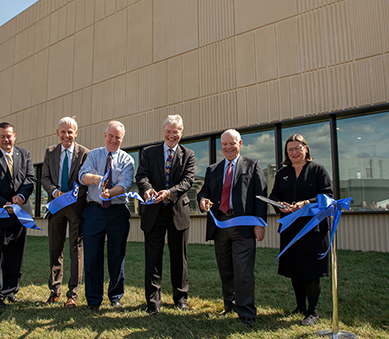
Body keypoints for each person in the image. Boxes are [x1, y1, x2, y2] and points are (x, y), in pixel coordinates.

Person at [197, 129, 267, 326]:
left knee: (243, 271)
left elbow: (260, 196)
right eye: (225, 144)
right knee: (225, 268)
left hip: (244, 227)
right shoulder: (213, 169)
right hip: (220, 226)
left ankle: (247, 313)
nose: (228, 147)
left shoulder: (253, 166)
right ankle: (230, 305)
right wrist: (202, 200)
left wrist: (259, 224)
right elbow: (203, 192)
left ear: (240, 143)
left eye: (232, 143)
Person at [269, 133, 332, 326]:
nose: (294, 152)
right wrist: (278, 205)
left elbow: (328, 196)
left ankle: (312, 312)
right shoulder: (282, 174)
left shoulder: (318, 170)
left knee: (311, 271)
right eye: (290, 149)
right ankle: (300, 307)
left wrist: (306, 202)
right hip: (290, 228)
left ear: (306, 148)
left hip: (314, 230)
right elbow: (274, 195)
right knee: (294, 270)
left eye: (298, 148)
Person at [136, 115, 195, 315]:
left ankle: (181, 298)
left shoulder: (189, 154)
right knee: (153, 258)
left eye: (175, 132)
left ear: (181, 133)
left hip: (178, 211)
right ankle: (153, 302)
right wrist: (147, 189)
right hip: (153, 212)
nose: (171, 135)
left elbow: (188, 181)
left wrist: (169, 193)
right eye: (168, 131)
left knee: (179, 258)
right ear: (163, 131)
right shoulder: (148, 152)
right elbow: (141, 176)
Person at [79, 121, 134, 310]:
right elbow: (82, 176)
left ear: (122, 138)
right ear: (105, 136)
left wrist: (110, 193)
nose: (113, 139)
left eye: (117, 137)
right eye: (110, 135)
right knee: (92, 256)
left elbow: (125, 184)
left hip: (118, 212)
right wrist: (96, 179)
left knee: (116, 255)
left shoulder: (127, 159)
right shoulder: (93, 155)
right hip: (93, 211)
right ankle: (93, 299)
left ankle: (115, 296)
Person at [0, 122, 35, 308]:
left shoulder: (24, 154)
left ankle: (10, 291)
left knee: (15, 254)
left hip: (20, 214)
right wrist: (5, 203)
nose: (6, 139)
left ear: (15, 136)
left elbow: (30, 179)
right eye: (2, 136)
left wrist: (20, 197)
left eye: (9, 135)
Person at [41, 117, 90, 308]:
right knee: (55, 249)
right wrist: (55, 192)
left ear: (76, 133)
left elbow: (85, 179)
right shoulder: (50, 152)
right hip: (56, 206)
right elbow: (44, 177)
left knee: (76, 250)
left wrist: (75, 194)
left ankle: (73, 294)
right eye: (63, 131)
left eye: (70, 132)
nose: (66, 135)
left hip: (76, 208)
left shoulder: (85, 153)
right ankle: (54, 290)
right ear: (57, 133)